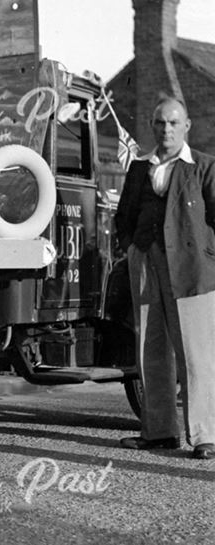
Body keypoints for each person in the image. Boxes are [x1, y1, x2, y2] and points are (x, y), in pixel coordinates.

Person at [115, 96, 215, 459]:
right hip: (146, 264)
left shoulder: (203, 167)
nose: (166, 129)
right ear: (152, 126)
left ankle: (205, 436)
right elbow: (123, 217)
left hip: (191, 271)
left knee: (196, 354)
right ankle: (159, 432)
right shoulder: (140, 168)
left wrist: (207, 257)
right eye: (160, 122)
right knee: (150, 351)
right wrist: (131, 248)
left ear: (186, 126)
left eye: (174, 123)